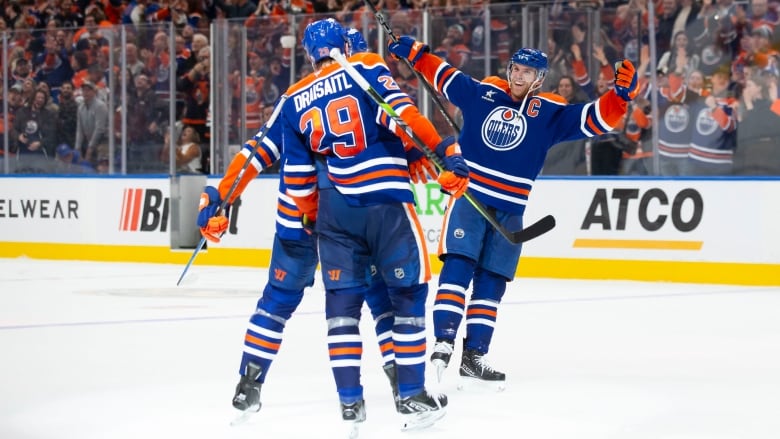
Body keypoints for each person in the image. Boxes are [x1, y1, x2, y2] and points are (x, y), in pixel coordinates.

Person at [196, 27, 445, 432]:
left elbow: (254, 154)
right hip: (342, 209)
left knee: (279, 299)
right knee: (381, 295)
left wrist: (220, 197)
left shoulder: (294, 99)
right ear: (349, 50)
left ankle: (249, 383)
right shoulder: (363, 74)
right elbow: (396, 122)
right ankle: (402, 379)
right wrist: (424, 150)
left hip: (299, 216)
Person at [388, 35, 638, 387]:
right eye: (515, 69)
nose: (519, 77)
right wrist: (416, 54)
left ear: (540, 78)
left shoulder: (549, 112)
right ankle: (443, 340)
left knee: (492, 282)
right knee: (459, 265)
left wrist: (619, 96)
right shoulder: (484, 93)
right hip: (470, 200)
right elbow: (443, 75)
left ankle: (474, 356)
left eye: (528, 72)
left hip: (511, 211)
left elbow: (595, 119)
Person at [279, 19, 468, 431]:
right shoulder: (363, 65)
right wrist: (445, 153)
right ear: (343, 45)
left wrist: (314, 216)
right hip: (385, 203)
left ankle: (350, 403)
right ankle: (411, 395)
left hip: (334, 212)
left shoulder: (293, 98)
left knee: (341, 308)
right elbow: (406, 116)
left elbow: (297, 180)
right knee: (408, 295)